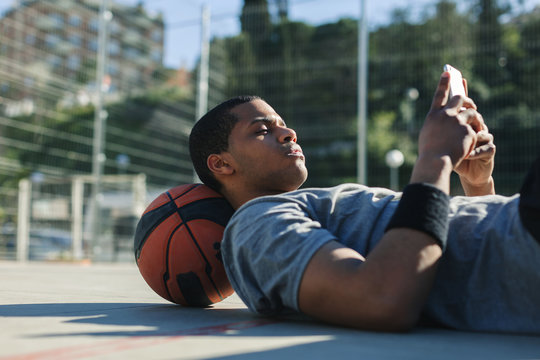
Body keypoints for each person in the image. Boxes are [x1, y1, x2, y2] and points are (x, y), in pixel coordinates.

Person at [188, 71, 540, 334]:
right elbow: (381, 299)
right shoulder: (253, 225)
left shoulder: (306, 207)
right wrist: (434, 159)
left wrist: (478, 184)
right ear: (221, 164)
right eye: (261, 130)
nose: (288, 132)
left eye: (283, 124)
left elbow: (483, 244)